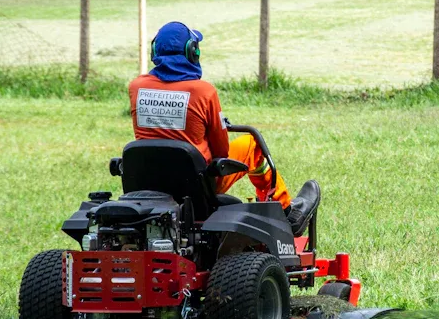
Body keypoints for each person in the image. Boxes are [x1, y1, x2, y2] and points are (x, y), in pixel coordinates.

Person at [127, 21, 319, 235]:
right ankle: (286, 211)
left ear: (155, 51)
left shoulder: (136, 87)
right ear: (193, 52)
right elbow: (221, 151)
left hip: (148, 182)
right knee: (250, 144)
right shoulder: (204, 92)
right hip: (197, 184)